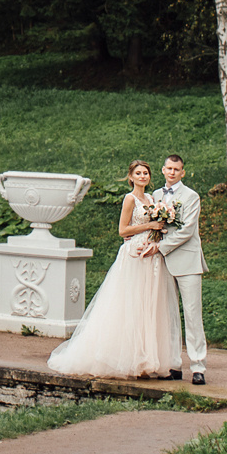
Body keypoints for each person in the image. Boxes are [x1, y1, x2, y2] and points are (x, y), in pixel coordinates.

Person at [45, 159, 181, 378]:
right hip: (134, 254)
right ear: (131, 177)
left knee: (150, 304)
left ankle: (148, 358)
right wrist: (149, 226)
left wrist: (158, 233)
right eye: (138, 173)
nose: (143, 176)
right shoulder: (130, 199)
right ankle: (128, 357)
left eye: (146, 173)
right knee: (131, 303)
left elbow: (159, 223)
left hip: (152, 255)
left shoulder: (153, 199)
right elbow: (122, 230)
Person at [146, 152, 208, 385]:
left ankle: (198, 366)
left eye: (176, 169)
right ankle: (173, 364)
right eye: (168, 168)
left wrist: (160, 247)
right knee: (169, 314)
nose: (172, 172)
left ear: (182, 172)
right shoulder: (156, 195)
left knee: (192, 315)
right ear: (163, 170)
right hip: (162, 262)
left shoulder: (191, 196)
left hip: (187, 261)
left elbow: (187, 231)